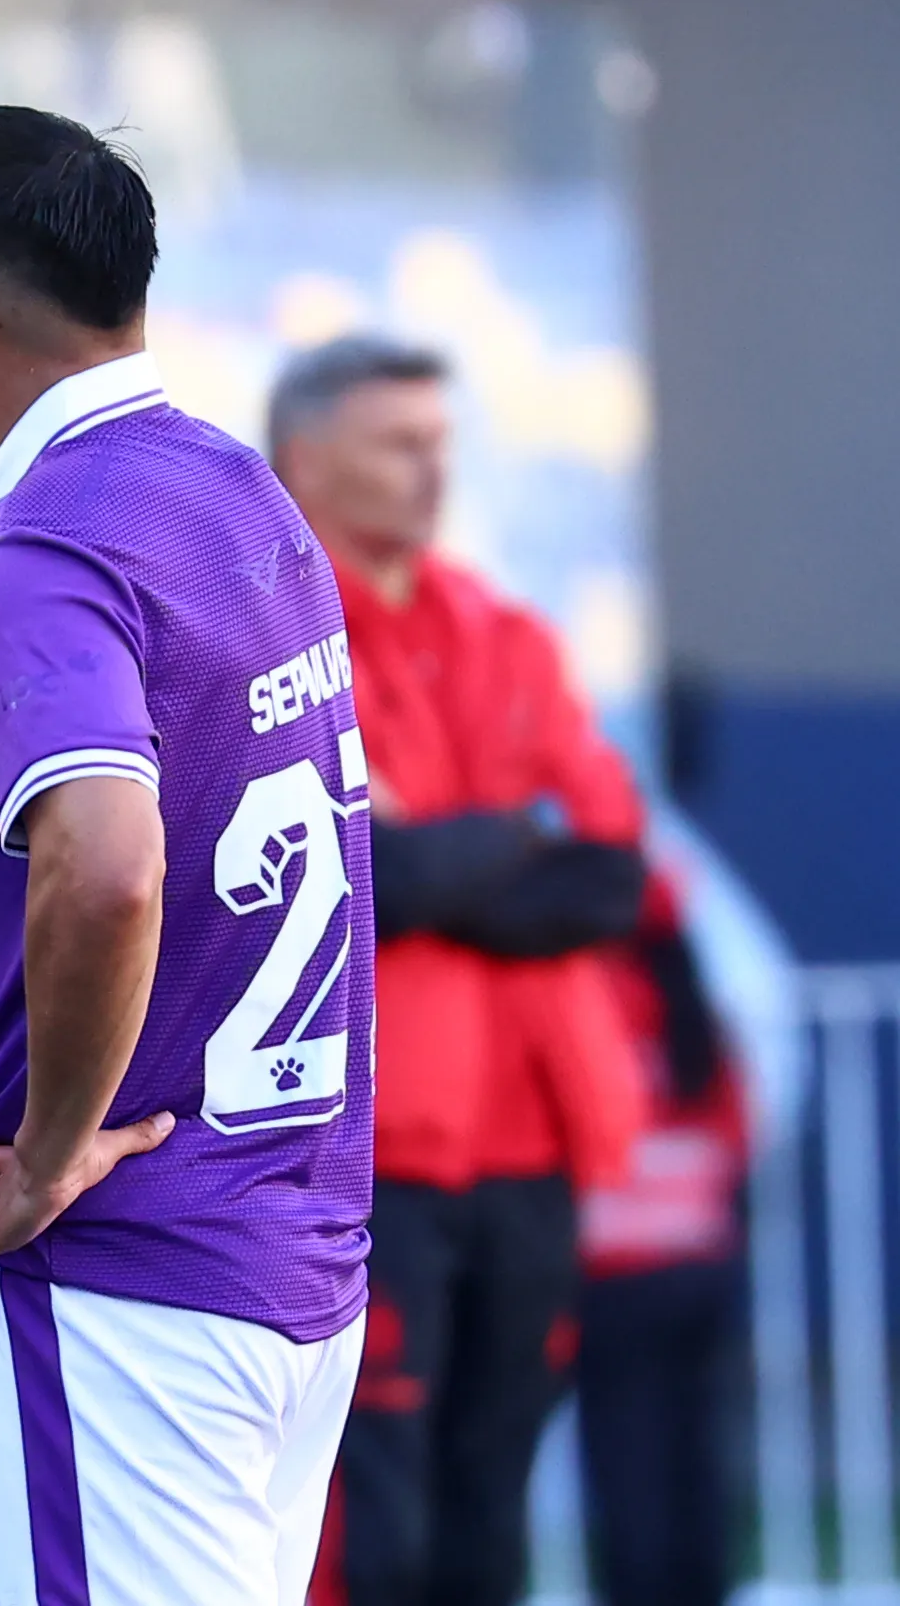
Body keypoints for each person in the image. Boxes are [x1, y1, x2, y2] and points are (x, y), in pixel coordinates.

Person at [0, 106, 374, 1605]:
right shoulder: (232, 488)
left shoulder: (38, 546)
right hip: (289, 1252)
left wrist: (46, 1150)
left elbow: (106, 863)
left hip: (119, 1278)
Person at [267, 336, 648, 1606]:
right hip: (370, 1156)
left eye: (442, 441)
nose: (435, 470)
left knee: (492, 1509)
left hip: (536, 1143)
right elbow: (342, 868)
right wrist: (504, 839)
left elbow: (607, 872)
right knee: (372, 1514)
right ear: (304, 459)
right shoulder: (265, 634)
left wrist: (435, 861)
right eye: (401, 443)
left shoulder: (504, 631)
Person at [573, 876, 745, 1606]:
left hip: (613, 1268)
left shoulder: (590, 994)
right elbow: (737, 1126)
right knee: (695, 1458)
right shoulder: (695, 1014)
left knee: (627, 1464)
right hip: (700, 1262)